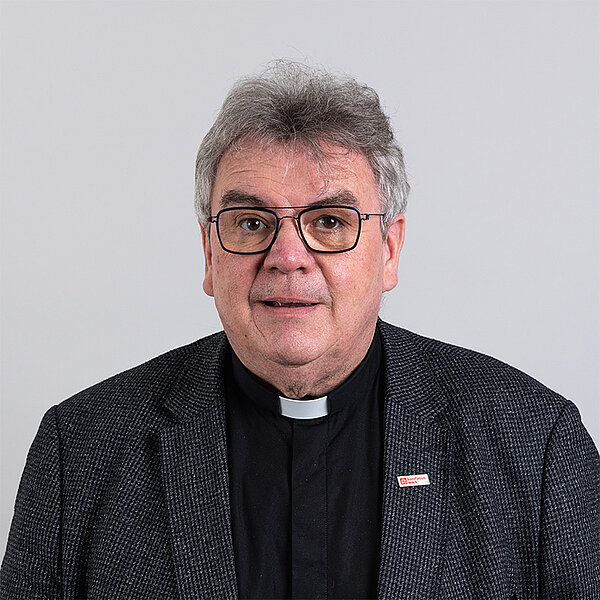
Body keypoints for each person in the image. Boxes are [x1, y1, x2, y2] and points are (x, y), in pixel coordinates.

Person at [1, 61, 598, 600]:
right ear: (209, 253)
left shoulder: (535, 443)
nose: (288, 257)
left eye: (330, 221)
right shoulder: (80, 450)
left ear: (389, 251)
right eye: (251, 222)